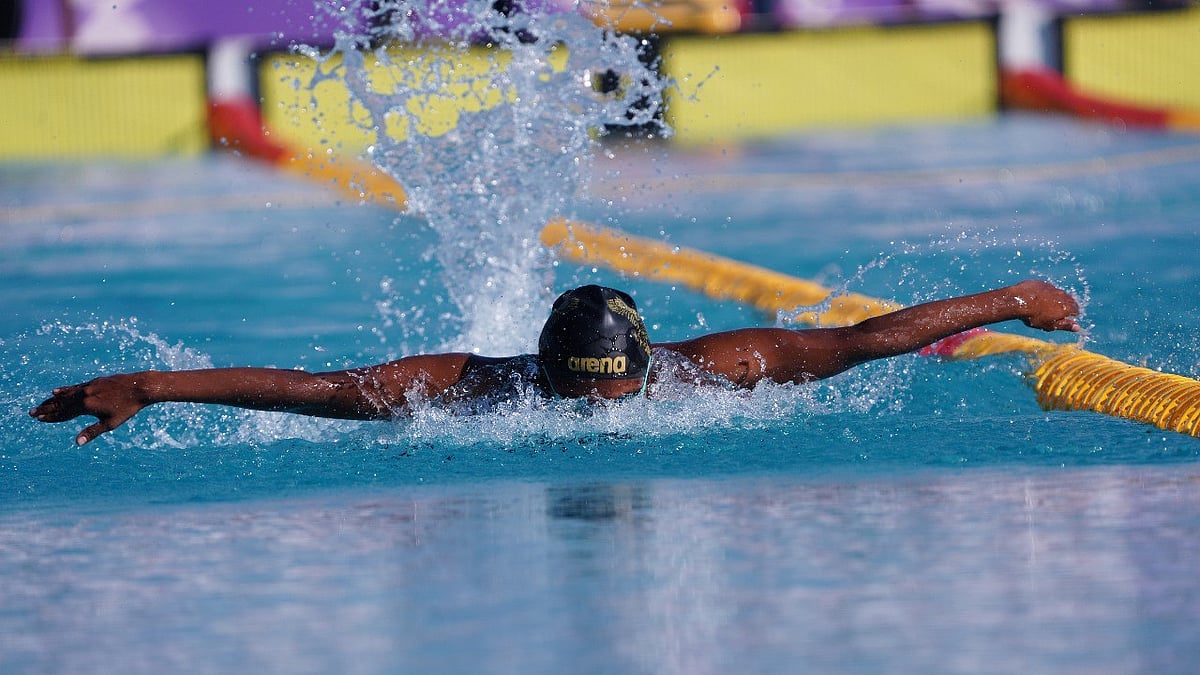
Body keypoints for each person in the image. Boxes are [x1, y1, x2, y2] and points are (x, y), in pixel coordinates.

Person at [31, 280, 1081, 446]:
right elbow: (315, 393)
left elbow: (864, 339)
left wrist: (1013, 300)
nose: (602, 414)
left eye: (618, 393)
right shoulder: (464, 388)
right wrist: (151, 385)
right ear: (545, 375)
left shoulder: (719, 370)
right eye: (583, 396)